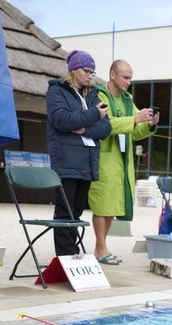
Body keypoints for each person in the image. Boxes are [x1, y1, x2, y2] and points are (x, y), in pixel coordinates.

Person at [87, 59, 158, 265]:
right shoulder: (99, 95)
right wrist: (135, 119)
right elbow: (104, 124)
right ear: (112, 75)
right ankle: (100, 248)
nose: (129, 82)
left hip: (123, 161)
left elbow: (135, 132)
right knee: (102, 204)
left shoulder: (127, 100)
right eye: (125, 77)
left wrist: (149, 124)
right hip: (104, 158)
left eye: (130, 78)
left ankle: (102, 248)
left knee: (112, 206)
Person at [46, 50, 111, 257]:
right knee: (65, 211)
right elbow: (62, 120)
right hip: (66, 160)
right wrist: (94, 114)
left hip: (87, 162)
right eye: (87, 71)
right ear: (74, 69)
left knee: (76, 211)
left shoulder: (93, 94)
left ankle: (72, 253)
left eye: (93, 72)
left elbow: (106, 127)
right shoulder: (57, 91)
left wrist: (84, 129)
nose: (90, 76)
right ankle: (65, 256)